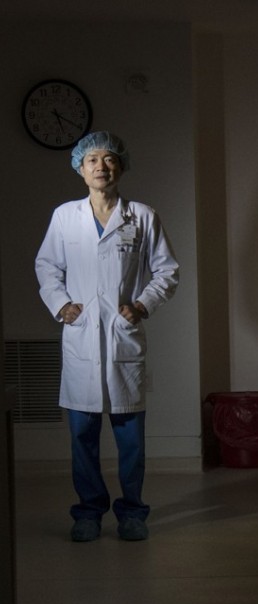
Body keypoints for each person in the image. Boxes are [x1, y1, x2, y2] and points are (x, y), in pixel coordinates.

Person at [35, 131, 180, 542]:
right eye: (92, 159)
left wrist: (141, 305)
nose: (101, 166)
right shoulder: (65, 217)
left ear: (122, 166)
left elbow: (167, 271)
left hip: (122, 340)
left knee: (130, 438)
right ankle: (88, 512)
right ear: (81, 170)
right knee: (82, 436)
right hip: (81, 341)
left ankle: (133, 512)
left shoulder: (142, 216)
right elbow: (47, 266)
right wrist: (63, 305)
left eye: (110, 158)